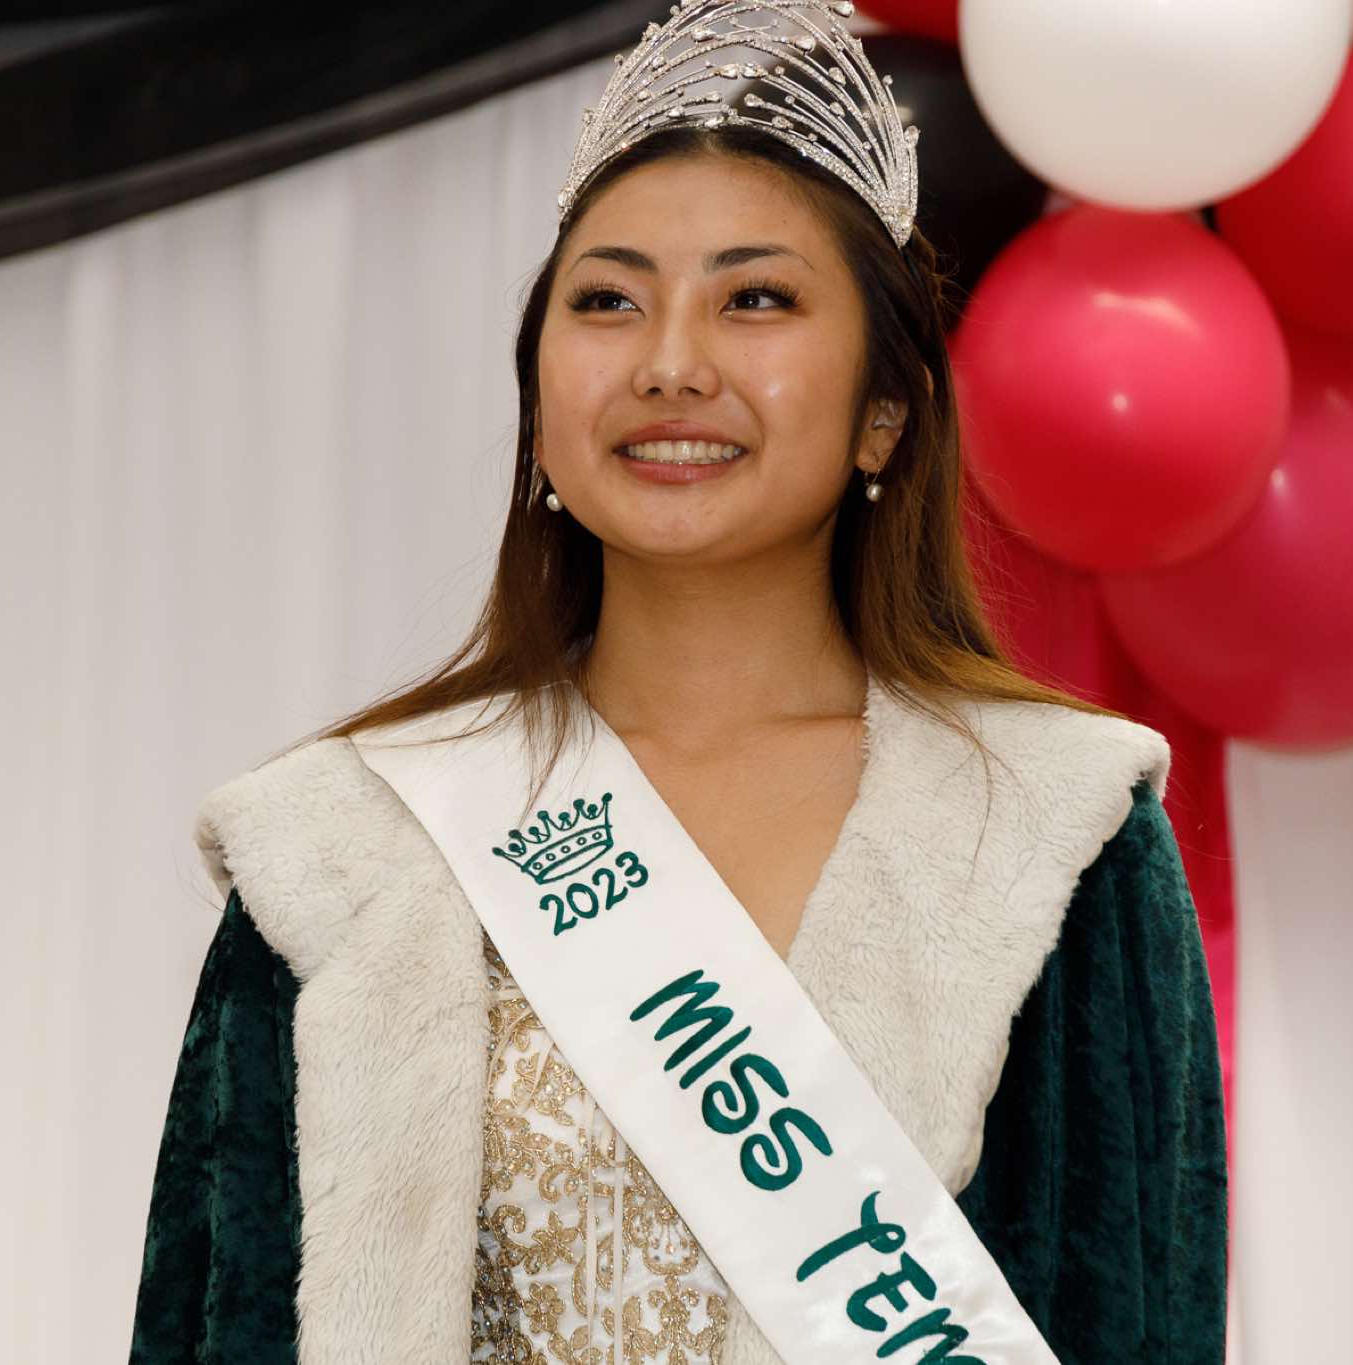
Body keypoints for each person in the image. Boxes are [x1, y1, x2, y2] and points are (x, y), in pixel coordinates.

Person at [127, 3, 1227, 1361]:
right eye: (608, 301)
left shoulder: (1049, 831)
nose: (669, 364)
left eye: (755, 299)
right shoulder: (355, 841)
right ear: (540, 400)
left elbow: (1142, 1316)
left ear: (884, 412)